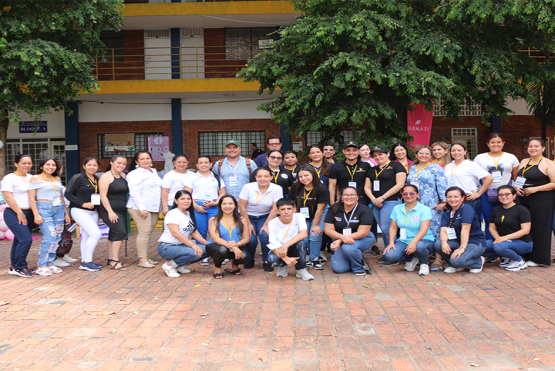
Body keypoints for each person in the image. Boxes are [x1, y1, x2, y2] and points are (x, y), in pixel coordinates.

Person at [515, 139, 555, 266]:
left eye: (536, 146)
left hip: (542, 198)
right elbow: (519, 178)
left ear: (543, 148)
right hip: (523, 197)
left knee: (540, 228)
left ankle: (539, 258)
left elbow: (554, 183)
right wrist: (516, 187)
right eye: (531, 146)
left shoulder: (548, 163)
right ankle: (525, 255)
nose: (533, 148)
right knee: (525, 226)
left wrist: (535, 189)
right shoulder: (523, 161)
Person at [28, 158, 71, 276]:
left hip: (58, 209)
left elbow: (61, 196)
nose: (51, 167)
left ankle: (50, 263)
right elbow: (32, 198)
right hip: (44, 208)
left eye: (53, 165)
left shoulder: (56, 178)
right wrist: (36, 214)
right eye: (48, 165)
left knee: (57, 237)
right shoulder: (35, 178)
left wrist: (66, 213)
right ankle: (41, 265)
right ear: (42, 166)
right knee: (50, 236)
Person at [474, 134, 520, 239]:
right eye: (492, 142)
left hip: (506, 194)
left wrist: (516, 190)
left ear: (503, 143)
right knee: (489, 220)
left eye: (499, 142)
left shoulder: (511, 157)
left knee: (506, 219)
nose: (496, 144)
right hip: (486, 193)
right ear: (488, 144)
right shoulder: (480, 158)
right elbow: (476, 177)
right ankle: (490, 249)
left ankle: (506, 246)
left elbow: (515, 177)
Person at [382, 185, 435, 276]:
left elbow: (424, 229)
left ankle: (423, 263)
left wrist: (413, 242)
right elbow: (393, 227)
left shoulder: (425, 209)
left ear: (418, 194)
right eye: (405, 193)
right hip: (404, 240)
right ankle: (412, 259)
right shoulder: (397, 208)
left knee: (419, 246)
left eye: (412, 193)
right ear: (402, 195)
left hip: (423, 240)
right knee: (390, 256)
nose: (408, 196)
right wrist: (391, 243)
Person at [239, 167, 283, 270]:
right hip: (248, 216)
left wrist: (266, 224)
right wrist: (248, 224)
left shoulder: (277, 188)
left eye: (266, 176)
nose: (263, 179)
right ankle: (250, 259)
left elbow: (275, 208)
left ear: (271, 177)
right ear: (256, 177)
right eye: (260, 176)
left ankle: (266, 260)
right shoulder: (248, 187)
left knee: (265, 235)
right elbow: (241, 206)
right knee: (250, 238)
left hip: (266, 216)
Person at [434, 186, 487, 274]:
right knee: (438, 244)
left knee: (457, 261)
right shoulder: (447, 213)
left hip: (474, 242)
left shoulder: (467, 209)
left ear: (463, 198)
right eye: (449, 197)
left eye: (456, 197)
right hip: (457, 241)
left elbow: (465, 230)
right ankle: (454, 263)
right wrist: (444, 242)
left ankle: (477, 261)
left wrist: (462, 248)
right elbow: (443, 230)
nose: (452, 199)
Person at [324, 187, 376, 275]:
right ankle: (354, 256)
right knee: (339, 269)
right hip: (339, 239)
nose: (349, 197)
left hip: (363, 238)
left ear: (357, 197)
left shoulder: (365, 210)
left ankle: (359, 267)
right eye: (346, 195)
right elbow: (328, 229)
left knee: (348, 248)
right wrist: (342, 238)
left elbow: (362, 232)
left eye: (352, 195)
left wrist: (341, 240)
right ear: (341, 197)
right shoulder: (334, 209)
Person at [186, 155, 225, 267]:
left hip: (213, 205)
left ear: (210, 164)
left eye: (206, 162)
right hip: (198, 206)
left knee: (215, 231)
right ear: (197, 165)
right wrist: (195, 206)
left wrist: (216, 202)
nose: (204, 165)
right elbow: (187, 194)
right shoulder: (192, 177)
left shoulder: (217, 177)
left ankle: (218, 253)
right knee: (201, 231)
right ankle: (204, 255)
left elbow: (222, 193)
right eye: (201, 163)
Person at [364, 145, 407, 249]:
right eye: (375, 155)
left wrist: (382, 197)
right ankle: (389, 251)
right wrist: (374, 199)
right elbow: (367, 187)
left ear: (388, 154)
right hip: (376, 203)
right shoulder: (372, 169)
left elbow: (400, 184)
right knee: (384, 230)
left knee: (387, 229)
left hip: (390, 201)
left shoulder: (397, 166)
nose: (378, 157)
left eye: (380, 154)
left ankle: (393, 253)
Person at [158, 190, 208, 278]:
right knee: (195, 252)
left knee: (208, 250)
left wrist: (207, 244)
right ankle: (169, 265)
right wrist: (193, 245)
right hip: (167, 247)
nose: (186, 201)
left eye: (188, 199)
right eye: (182, 199)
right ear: (176, 201)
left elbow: (193, 232)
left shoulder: (188, 213)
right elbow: (175, 233)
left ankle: (179, 265)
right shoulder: (172, 213)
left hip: (180, 246)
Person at [64, 157, 103, 272]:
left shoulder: (97, 179)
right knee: (95, 234)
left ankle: (85, 261)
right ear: (84, 166)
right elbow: (68, 194)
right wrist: (83, 204)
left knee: (86, 237)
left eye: (94, 165)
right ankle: (87, 262)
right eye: (89, 165)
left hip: (94, 211)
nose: (92, 167)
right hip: (79, 210)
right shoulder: (78, 178)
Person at [126, 151, 163, 268]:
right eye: (142, 159)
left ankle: (145, 257)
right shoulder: (134, 174)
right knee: (144, 232)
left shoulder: (153, 171)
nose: (146, 161)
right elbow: (134, 193)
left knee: (148, 233)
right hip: (139, 207)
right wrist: (142, 208)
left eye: (148, 158)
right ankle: (142, 259)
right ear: (137, 161)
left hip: (153, 208)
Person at [289, 165, 330, 270]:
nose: (304, 178)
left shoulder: (321, 188)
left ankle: (315, 258)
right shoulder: (296, 186)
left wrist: (315, 225)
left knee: (315, 235)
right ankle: (306, 257)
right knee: (304, 236)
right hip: (303, 214)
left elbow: (320, 209)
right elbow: (293, 204)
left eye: (306, 175)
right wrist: (299, 220)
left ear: (313, 175)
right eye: (301, 176)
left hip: (320, 212)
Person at [1, 154, 35, 277]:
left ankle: (14, 266)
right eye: (23, 163)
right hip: (13, 212)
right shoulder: (9, 178)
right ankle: (21, 267)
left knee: (19, 239)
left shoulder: (32, 177)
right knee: (26, 239)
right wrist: (19, 213)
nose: (27, 165)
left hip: (29, 212)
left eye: (29, 163)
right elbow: (8, 197)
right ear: (16, 164)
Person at [487, 185, 533, 272]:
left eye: (507, 194)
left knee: (499, 247)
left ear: (514, 195)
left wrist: (504, 238)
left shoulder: (522, 210)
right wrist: (498, 238)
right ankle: (506, 257)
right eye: (500, 195)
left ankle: (519, 261)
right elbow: (492, 228)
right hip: (502, 241)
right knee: (481, 246)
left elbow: (525, 230)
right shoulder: (496, 210)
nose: (504, 197)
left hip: (523, 243)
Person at [444, 143, 493, 222]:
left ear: (465, 152)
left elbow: (489, 178)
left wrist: (479, 193)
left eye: (459, 150)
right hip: (453, 199)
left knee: (468, 224)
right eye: (453, 150)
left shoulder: (471, 164)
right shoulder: (448, 166)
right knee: (455, 223)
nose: (456, 152)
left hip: (468, 198)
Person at [267, 198, 314, 280]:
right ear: (277, 211)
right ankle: (282, 266)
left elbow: (304, 233)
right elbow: (272, 244)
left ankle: (301, 269)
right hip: (280, 249)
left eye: (289, 209)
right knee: (271, 258)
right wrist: (286, 259)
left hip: (294, 246)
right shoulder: (272, 223)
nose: (286, 212)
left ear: (294, 209)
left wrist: (286, 245)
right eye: (282, 209)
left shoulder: (299, 216)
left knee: (301, 244)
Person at [206, 195, 251, 278]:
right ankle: (217, 267)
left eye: (230, 203)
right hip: (216, 247)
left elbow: (246, 238)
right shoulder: (213, 220)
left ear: (235, 205)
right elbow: (215, 238)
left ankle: (235, 264)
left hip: (235, 246)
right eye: (224, 204)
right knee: (223, 250)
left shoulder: (242, 219)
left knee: (246, 257)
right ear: (220, 206)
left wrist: (236, 245)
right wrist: (234, 247)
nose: (227, 206)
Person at [98, 155, 129, 270]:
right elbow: (103, 196)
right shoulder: (105, 176)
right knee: (120, 233)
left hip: (121, 210)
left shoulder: (123, 176)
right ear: (111, 163)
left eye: (124, 164)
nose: (121, 166)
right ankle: (115, 261)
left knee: (114, 233)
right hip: (109, 210)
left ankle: (111, 259)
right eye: (119, 163)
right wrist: (110, 212)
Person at [329, 141, 372, 205]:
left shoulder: (366, 166)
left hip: (362, 200)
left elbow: (369, 185)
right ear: (344, 151)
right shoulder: (336, 166)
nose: (351, 153)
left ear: (358, 151)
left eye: (354, 150)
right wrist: (332, 202)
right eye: (348, 150)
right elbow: (332, 185)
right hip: (344, 200)